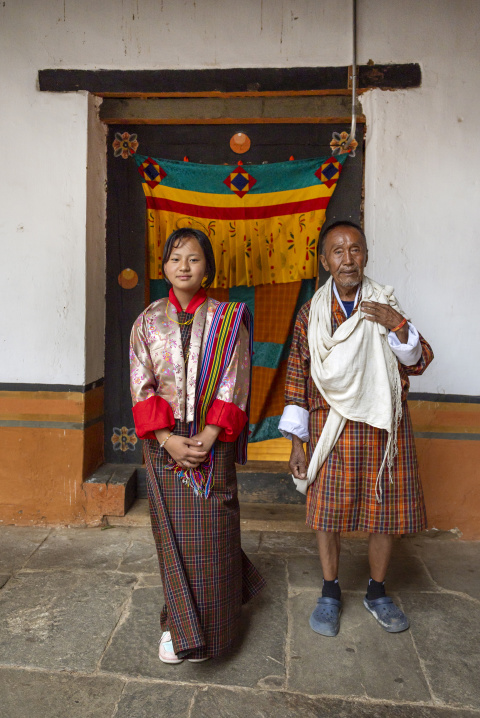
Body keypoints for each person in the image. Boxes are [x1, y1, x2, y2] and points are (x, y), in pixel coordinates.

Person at [278, 220, 433, 636]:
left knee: (384, 515)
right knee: (326, 514)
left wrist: (398, 324)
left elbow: (419, 361)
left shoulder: (384, 303)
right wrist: (297, 443)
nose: (348, 259)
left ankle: (377, 591)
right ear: (325, 260)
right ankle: (330, 592)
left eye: (356, 250)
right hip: (329, 427)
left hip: (383, 429)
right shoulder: (311, 314)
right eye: (338, 251)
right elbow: (297, 376)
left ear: (366, 255)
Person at [130, 228, 265, 664]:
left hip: (213, 442)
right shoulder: (147, 321)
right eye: (175, 258)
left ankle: (218, 630)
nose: (183, 267)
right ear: (164, 266)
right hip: (163, 445)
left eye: (193, 258)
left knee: (215, 536)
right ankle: (178, 624)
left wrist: (208, 436)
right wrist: (167, 440)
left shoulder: (228, 319)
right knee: (173, 538)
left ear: (207, 266)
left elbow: (236, 380)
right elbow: (141, 383)